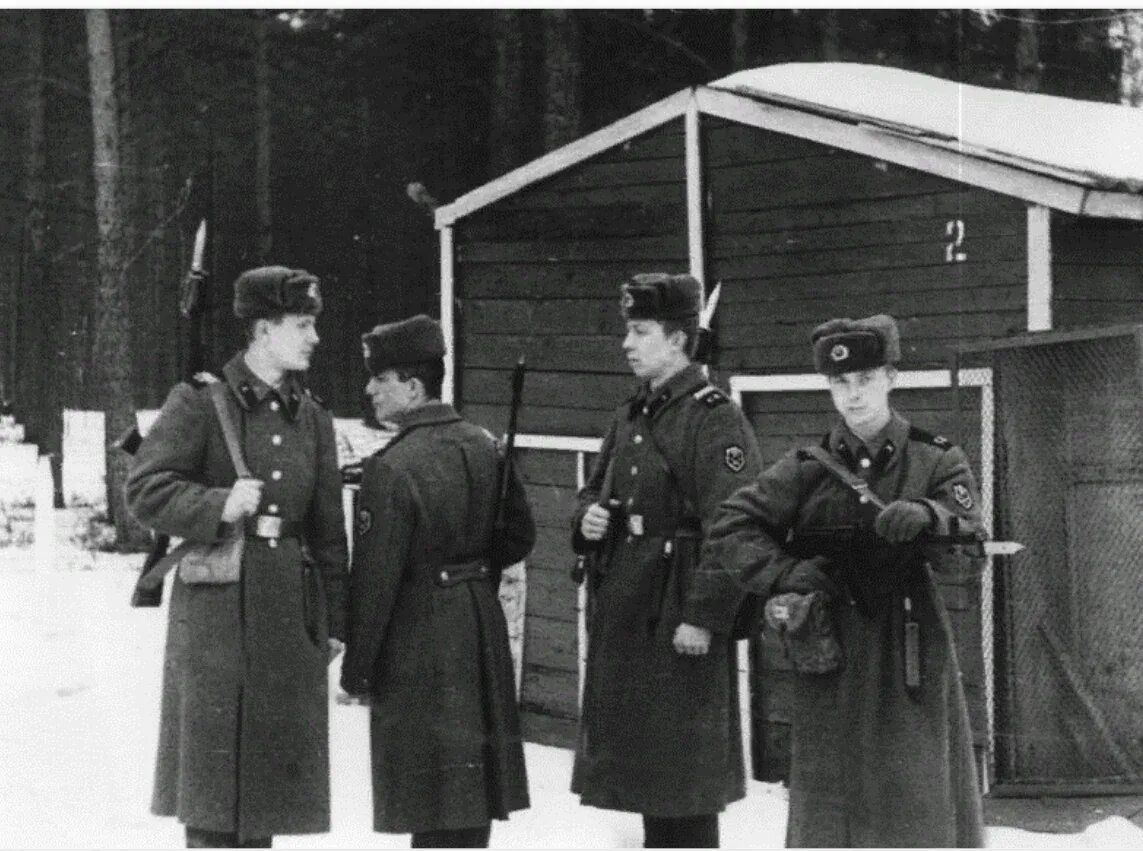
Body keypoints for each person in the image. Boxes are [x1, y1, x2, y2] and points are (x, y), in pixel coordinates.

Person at [686, 314, 985, 847]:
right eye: (839, 382)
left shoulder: (937, 460)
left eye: (865, 379)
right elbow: (731, 526)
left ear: (892, 377)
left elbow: (971, 552)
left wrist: (931, 517)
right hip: (831, 651)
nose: (853, 395)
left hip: (909, 649)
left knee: (916, 794)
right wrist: (786, 572)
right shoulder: (806, 469)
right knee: (832, 801)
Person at [126, 266, 348, 848]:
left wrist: (337, 623)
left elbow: (329, 534)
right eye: (302, 324)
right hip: (216, 622)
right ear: (262, 330)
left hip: (287, 619)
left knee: (266, 798)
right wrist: (219, 504)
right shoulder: (201, 402)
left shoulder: (315, 419)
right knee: (214, 795)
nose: (315, 338)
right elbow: (144, 491)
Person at [570, 273, 763, 848]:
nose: (627, 344)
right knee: (651, 783)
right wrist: (588, 519)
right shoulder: (633, 414)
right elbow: (593, 490)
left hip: (679, 615)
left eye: (640, 331)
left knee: (685, 787)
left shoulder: (713, 417)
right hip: (629, 613)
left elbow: (736, 527)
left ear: (677, 340)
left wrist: (704, 617)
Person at [340, 314, 536, 849]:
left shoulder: (391, 467)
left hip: (417, 640)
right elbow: (519, 537)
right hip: (478, 626)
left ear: (412, 385)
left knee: (432, 797)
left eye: (380, 379)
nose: (369, 390)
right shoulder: (484, 445)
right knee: (470, 794)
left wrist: (357, 672)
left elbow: (376, 581)